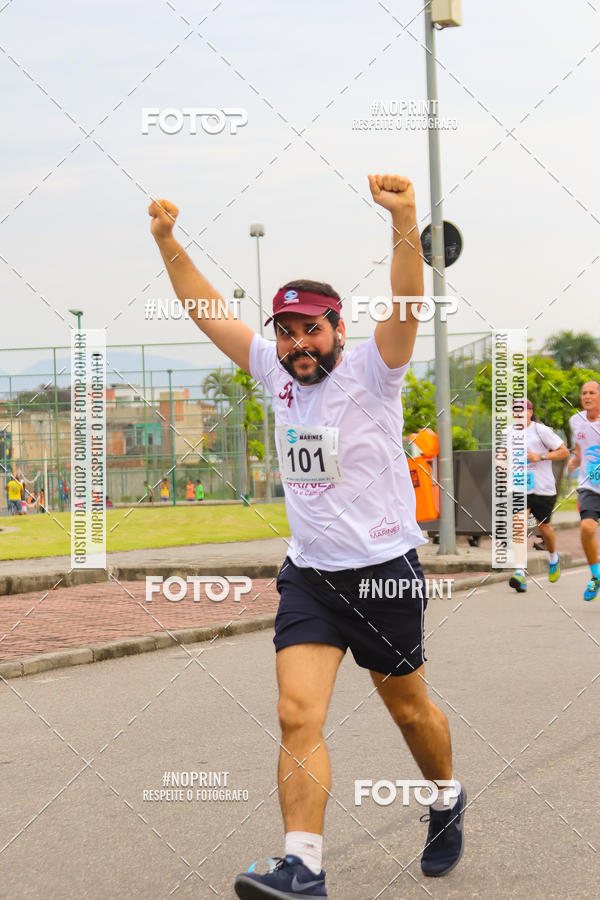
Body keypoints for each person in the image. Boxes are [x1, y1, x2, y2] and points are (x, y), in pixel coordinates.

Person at [149, 173, 466, 899]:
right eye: (285, 331)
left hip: (383, 570)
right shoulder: (274, 374)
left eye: (310, 329)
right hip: (313, 576)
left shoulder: (374, 371)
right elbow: (207, 310)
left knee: (410, 710)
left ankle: (445, 796)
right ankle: (305, 866)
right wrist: (169, 242)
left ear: (336, 330)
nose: (296, 343)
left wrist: (405, 219)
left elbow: (409, 301)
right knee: (297, 712)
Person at [509, 400, 569, 593]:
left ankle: (553, 557)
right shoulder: (507, 433)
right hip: (520, 486)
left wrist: (540, 457)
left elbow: (563, 452)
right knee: (518, 524)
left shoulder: (540, 430)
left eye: (523, 410)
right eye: (515, 410)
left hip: (543, 488)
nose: (519, 413)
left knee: (544, 528)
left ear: (530, 412)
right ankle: (519, 572)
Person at [568, 381, 600, 601]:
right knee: (587, 528)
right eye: (584, 393)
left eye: (592, 392)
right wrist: (575, 459)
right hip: (590, 486)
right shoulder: (576, 421)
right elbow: (581, 448)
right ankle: (596, 576)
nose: (587, 396)